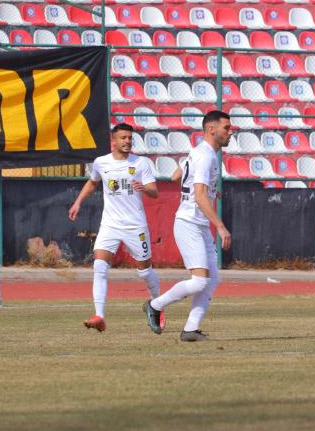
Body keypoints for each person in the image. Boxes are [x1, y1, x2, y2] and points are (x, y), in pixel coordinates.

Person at [143, 110, 232, 342]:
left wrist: (211, 189)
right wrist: (221, 227)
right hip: (189, 222)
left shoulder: (197, 151)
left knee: (211, 279)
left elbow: (175, 176)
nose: (230, 132)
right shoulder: (206, 156)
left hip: (198, 224)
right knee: (200, 280)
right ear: (211, 129)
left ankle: (191, 329)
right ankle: (155, 304)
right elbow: (200, 197)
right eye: (227, 128)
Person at [69, 123, 162, 332]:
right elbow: (93, 183)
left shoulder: (141, 163)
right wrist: (77, 203)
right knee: (100, 266)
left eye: (130, 138)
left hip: (135, 225)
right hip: (110, 224)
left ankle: (157, 304)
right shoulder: (101, 163)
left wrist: (144, 188)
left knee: (145, 271)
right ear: (114, 141)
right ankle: (99, 316)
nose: (127, 141)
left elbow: (155, 192)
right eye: (123, 138)